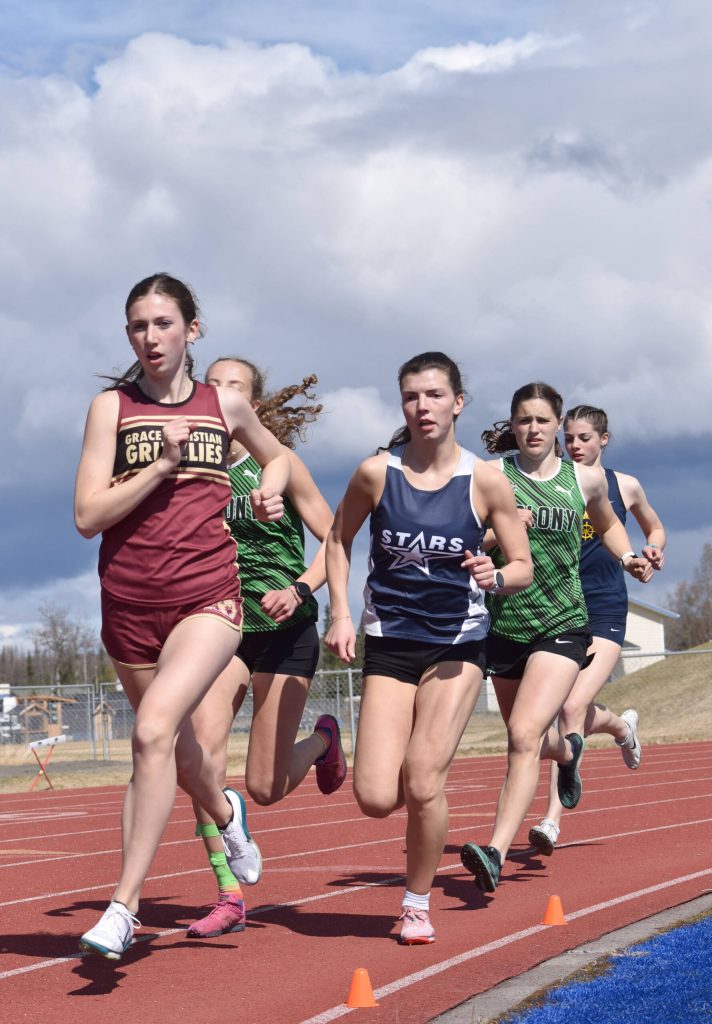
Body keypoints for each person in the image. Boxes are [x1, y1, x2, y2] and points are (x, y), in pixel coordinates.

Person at [74, 274, 291, 960]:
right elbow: (87, 517)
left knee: (152, 734)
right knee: (182, 755)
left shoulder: (222, 404)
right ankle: (229, 814)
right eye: (138, 326)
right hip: (129, 605)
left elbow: (277, 456)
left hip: (208, 599)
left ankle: (122, 907)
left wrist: (271, 494)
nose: (150, 337)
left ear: (192, 330)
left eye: (163, 323)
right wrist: (156, 468)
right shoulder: (111, 409)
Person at [326, 352, 533, 945]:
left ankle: (416, 903)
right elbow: (338, 541)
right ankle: (339, 751)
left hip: (456, 643)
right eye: (413, 396)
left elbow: (521, 565)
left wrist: (496, 575)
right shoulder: (375, 473)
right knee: (373, 796)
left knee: (421, 779)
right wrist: (339, 613)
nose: (423, 407)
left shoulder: (485, 479)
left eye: (435, 395)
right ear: (403, 405)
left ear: (457, 402)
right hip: (390, 639)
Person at [459, 382, 652, 895]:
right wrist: (499, 532)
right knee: (536, 740)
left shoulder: (584, 480)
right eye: (524, 420)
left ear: (556, 424)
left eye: (543, 420)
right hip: (504, 625)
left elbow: (608, 523)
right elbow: (463, 536)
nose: (534, 429)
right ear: (513, 425)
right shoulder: (490, 476)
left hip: (563, 623)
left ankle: (495, 850)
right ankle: (569, 752)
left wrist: (630, 557)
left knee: (522, 737)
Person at [185, 357, 342, 940]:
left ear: (253, 404)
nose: (224, 395)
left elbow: (336, 538)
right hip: (221, 627)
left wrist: (300, 586)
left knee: (264, 788)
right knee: (200, 755)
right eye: (215, 384)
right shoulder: (193, 469)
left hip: (286, 625)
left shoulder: (280, 465)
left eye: (237, 388)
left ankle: (325, 739)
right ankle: (228, 893)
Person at [528, 404, 665, 857]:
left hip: (606, 607)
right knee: (560, 711)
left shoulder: (623, 485)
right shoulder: (556, 481)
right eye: (569, 438)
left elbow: (655, 528)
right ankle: (620, 726)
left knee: (569, 707)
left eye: (584, 438)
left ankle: (551, 820)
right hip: (562, 607)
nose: (574, 446)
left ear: (603, 439)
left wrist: (651, 550)